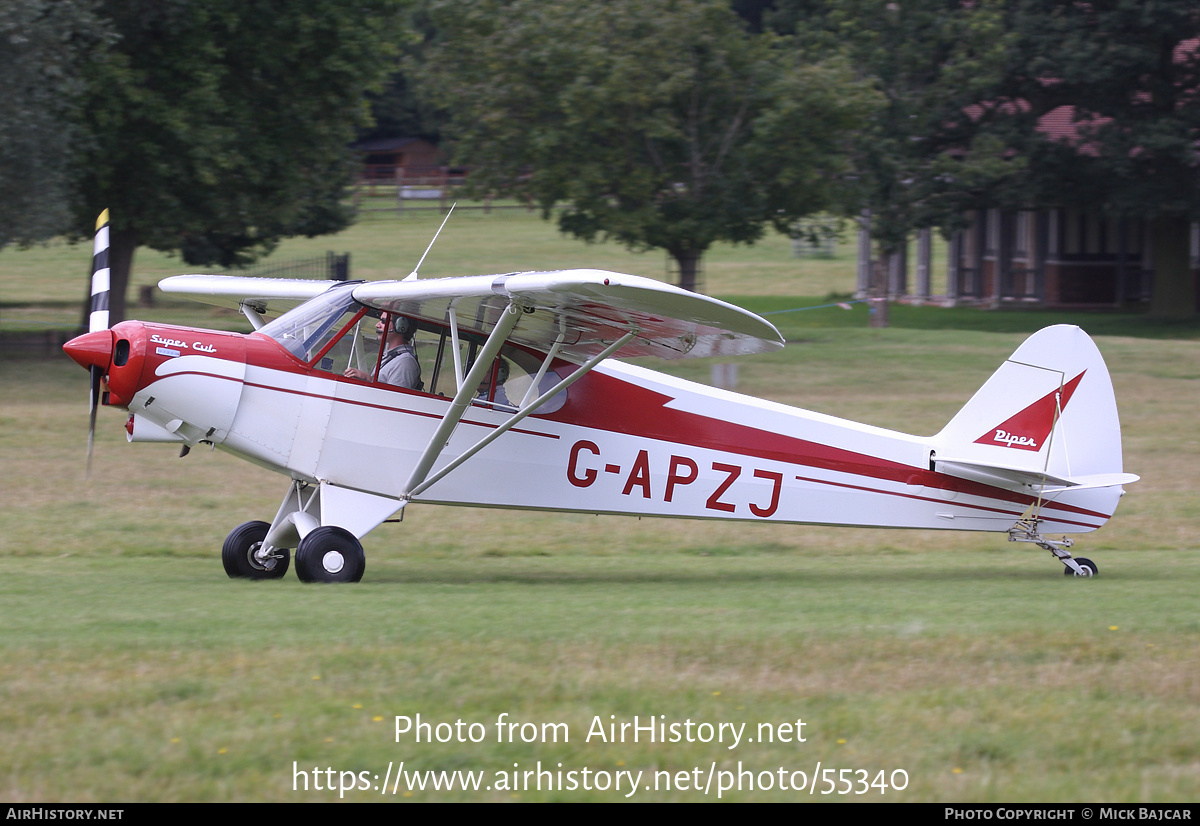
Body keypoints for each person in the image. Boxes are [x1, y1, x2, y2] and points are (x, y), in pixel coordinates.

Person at [344, 315, 422, 390]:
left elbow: (394, 398)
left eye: (383, 321)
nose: (377, 325)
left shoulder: (404, 361)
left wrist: (368, 378)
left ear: (400, 326)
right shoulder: (391, 357)